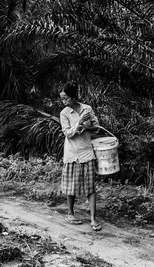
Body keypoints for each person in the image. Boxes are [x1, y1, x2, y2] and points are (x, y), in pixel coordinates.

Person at [59, 82, 102, 231]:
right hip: (72, 153)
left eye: (66, 98)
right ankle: (70, 213)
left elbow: (96, 127)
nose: (64, 102)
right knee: (72, 186)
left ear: (73, 97)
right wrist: (80, 122)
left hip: (87, 152)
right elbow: (68, 133)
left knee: (90, 187)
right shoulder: (64, 113)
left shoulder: (87, 109)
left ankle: (93, 218)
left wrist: (87, 127)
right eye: (62, 99)